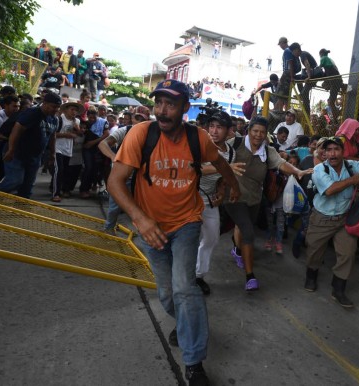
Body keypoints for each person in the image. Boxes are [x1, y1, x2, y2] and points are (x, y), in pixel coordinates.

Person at [108, 79, 240, 386]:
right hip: (150, 226)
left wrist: (230, 185)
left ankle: (193, 362)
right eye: (158, 103)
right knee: (168, 293)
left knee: (184, 288)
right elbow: (115, 182)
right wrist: (140, 219)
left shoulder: (198, 138)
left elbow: (220, 162)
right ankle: (186, 324)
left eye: (170, 104)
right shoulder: (141, 134)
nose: (162, 111)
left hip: (186, 222)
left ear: (184, 108)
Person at [226, 116, 312, 291]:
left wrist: (298, 172)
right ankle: (250, 277)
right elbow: (218, 158)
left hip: (254, 198)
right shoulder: (234, 143)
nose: (258, 135)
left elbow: (281, 164)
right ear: (248, 131)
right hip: (233, 195)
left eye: (262, 132)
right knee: (248, 232)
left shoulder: (268, 151)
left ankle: (237, 248)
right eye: (255, 131)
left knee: (242, 225)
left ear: (266, 135)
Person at [303, 136, 359, 308]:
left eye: (336, 149)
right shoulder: (319, 170)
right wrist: (354, 180)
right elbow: (329, 190)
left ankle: (338, 290)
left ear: (343, 152)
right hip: (321, 218)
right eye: (328, 150)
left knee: (347, 253)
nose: (332, 153)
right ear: (324, 153)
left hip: (344, 218)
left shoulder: (353, 167)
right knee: (314, 251)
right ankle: (311, 276)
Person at [195, 111, 245, 295]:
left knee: (211, 237)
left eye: (219, 127)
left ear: (229, 131)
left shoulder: (230, 153)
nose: (214, 131)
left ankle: (198, 276)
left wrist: (222, 189)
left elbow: (223, 178)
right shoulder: (201, 146)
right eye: (212, 126)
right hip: (190, 198)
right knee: (187, 239)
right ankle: (183, 275)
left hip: (209, 200)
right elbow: (198, 170)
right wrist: (226, 167)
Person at [0, 92, 61, 198]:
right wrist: (11, 150)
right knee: (15, 181)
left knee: (27, 188)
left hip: (34, 157)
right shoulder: (32, 113)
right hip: (17, 154)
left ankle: (20, 211)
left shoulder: (54, 119)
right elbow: (17, 129)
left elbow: (52, 136)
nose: (56, 110)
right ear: (45, 103)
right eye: (53, 107)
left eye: (58, 107)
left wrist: (52, 153)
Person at [51, 102, 83, 202]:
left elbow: (80, 134)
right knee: (59, 170)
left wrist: (78, 130)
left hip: (68, 149)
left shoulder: (77, 121)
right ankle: (55, 193)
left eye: (75, 110)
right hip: (58, 148)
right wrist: (66, 135)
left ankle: (58, 188)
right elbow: (53, 134)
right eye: (72, 109)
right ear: (66, 110)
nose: (74, 112)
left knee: (64, 171)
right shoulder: (60, 119)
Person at [319, 49, 343, 123]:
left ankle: (336, 118)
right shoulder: (330, 61)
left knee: (331, 102)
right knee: (331, 101)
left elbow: (319, 68)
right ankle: (336, 116)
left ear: (321, 54)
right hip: (337, 80)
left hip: (335, 81)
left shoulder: (323, 58)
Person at [276, 37, 300, 111]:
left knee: (280, 94)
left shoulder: (287, 50)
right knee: (287, 95)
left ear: (283, 43)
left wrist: (291, 76)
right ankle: (286, 110)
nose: (280, 46)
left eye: (280, 44)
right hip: (292, 73)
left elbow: (290, 63)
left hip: (288, 73)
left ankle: (280, 111)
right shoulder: (292, 50)